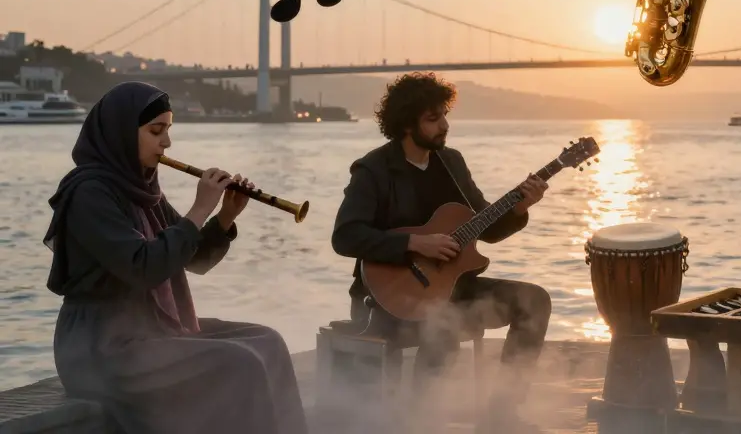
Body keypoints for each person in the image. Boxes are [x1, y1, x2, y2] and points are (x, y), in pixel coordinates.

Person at [42, 81, 309, 434]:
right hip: (101, 346)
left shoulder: (143, 188)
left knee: (269, 343)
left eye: (168, 130)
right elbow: (144, 267)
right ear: (122, 132)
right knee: (240, 363)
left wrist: (225, 217)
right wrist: (199, 208)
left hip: (150, 325)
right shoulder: (89, 193)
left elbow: (193, 260)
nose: (166, 142)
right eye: (156, 131)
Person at [331, 71, 551, 432]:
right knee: (443, 324)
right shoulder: (373, 170)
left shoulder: (451, 163)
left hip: (452, 288)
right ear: (406, 124)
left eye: (444, 116)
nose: (444, 125)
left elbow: (486, 227)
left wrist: (520, 208)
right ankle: (420, 419)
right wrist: (414, 243)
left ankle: (503, 413)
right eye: (433, 119)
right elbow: (345, 237)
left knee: (535, 299)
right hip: (386, 299)